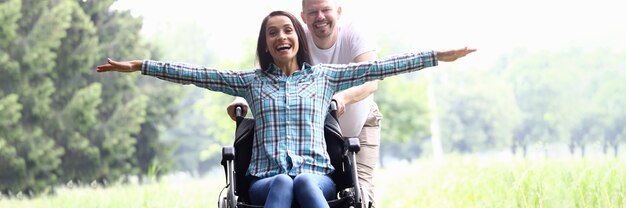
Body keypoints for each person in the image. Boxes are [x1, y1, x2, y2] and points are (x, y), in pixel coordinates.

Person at [96, 10, 475, 208]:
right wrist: (140, 65)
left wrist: (437, 56)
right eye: (273, 32)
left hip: (317, 176)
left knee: (305, 182)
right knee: (283, 182)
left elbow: (379, 67)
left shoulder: (323, 78)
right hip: (265, 180)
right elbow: (195, 74)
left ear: (298, 38)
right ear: (266, 43)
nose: (281, 36)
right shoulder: (253, 82)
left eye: (288, 30)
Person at [227, 1, 382, 204]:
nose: (320, 17)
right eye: (313, 12)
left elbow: (372, 77)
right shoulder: (294, 38)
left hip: (357, 122)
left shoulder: (353, 34)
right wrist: (241, 97)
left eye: (325, 10)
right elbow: (263, 74)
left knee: (360, 192)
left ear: (338, 11)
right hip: (310, 127)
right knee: (288, 181)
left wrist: (342, 97)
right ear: (303, 17)